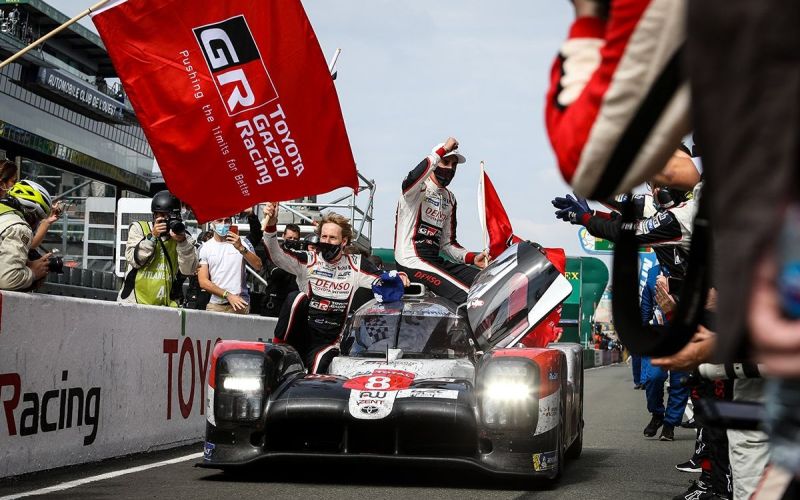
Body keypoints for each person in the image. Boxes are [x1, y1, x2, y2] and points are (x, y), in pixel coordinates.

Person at [262, 202, 409, 373]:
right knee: (296, 297)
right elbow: (276, 255)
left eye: (332, 238)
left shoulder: (356, 264)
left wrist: (399, 277)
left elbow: (380, 278)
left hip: (328, 341)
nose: (327, 242)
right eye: (324, 237)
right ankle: (277, 348)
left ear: (344, 241)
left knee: (318, 364)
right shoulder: (309, 259)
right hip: (301, 333)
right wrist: (271, 224)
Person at [394, 137, 488, 304]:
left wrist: (472, 258)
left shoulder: (450, 198)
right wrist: (442, 150)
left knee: (488, 281)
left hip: (435, 261)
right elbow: (411, 178)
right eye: (446, 162)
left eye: (454, 165)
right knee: (471, 297)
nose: (450, 168)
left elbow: (448, 244)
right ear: (436, 162)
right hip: (411, 261)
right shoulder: (417, 189)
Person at [118, 190, 197, 306]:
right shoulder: (139, 228)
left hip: (167, 304)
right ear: (154, 215)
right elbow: (134, 260)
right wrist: (152, 237)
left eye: (170, 216)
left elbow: (188, 270)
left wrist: (182, 243)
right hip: (135, 301)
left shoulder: (183, 237)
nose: (166, 220)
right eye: (162, 216)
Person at [197, 216, 262, 314]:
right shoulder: (205, 248)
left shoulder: (243, 243)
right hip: (216, 305)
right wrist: (228, 295)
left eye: (227, 220)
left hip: (240, 303)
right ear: (212, 223)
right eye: (219, 220)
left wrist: (241, 248)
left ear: (231, 222)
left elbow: (258, 266)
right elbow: (203, 281)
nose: (223, 224)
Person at [0, 180, 53, 291]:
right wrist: (33, 272)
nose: (37, 225)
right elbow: (8, 279)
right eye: (38, 218)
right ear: (31, 213)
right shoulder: (19, 228)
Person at [261, 223, 301, 317]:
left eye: (295, 239)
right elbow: (275, 272)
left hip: (293, 302)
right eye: (289, 238)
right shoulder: (274, 253)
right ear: (283, 236)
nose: (292, 241)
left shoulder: (301, 256)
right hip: (274, 301)